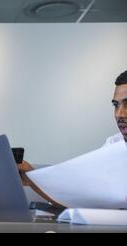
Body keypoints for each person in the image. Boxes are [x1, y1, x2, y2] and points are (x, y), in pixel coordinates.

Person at [19, 70, 127, 206]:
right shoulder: (114, 145)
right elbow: (81, 201)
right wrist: (31, 178)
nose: (119, 114)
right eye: (116, 105)